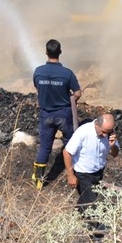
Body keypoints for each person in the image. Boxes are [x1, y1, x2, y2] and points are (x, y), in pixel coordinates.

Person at [31, 39, 81, 189]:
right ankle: (74, 174)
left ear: (46, 52)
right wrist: (71, 99)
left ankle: (38, 181)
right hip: (64, 114)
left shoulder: (38, 72)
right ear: (60, 52)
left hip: (46, 114)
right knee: (70, 143)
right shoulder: (67, 73)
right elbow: (77, 93)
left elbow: (38, 89)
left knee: (45, 147)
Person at [63, 113, 120, 214]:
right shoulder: (83, 132)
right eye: (104, 132)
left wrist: (112, 146)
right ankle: (93, 225)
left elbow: (115, 154)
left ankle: (76, 216)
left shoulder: (110, 133)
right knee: (91, 201)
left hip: (98, 172)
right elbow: (67, 152)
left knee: (87, 198)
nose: (106, 135)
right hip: (83, 173)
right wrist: (70, 175)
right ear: (97, 125)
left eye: (109, 132)